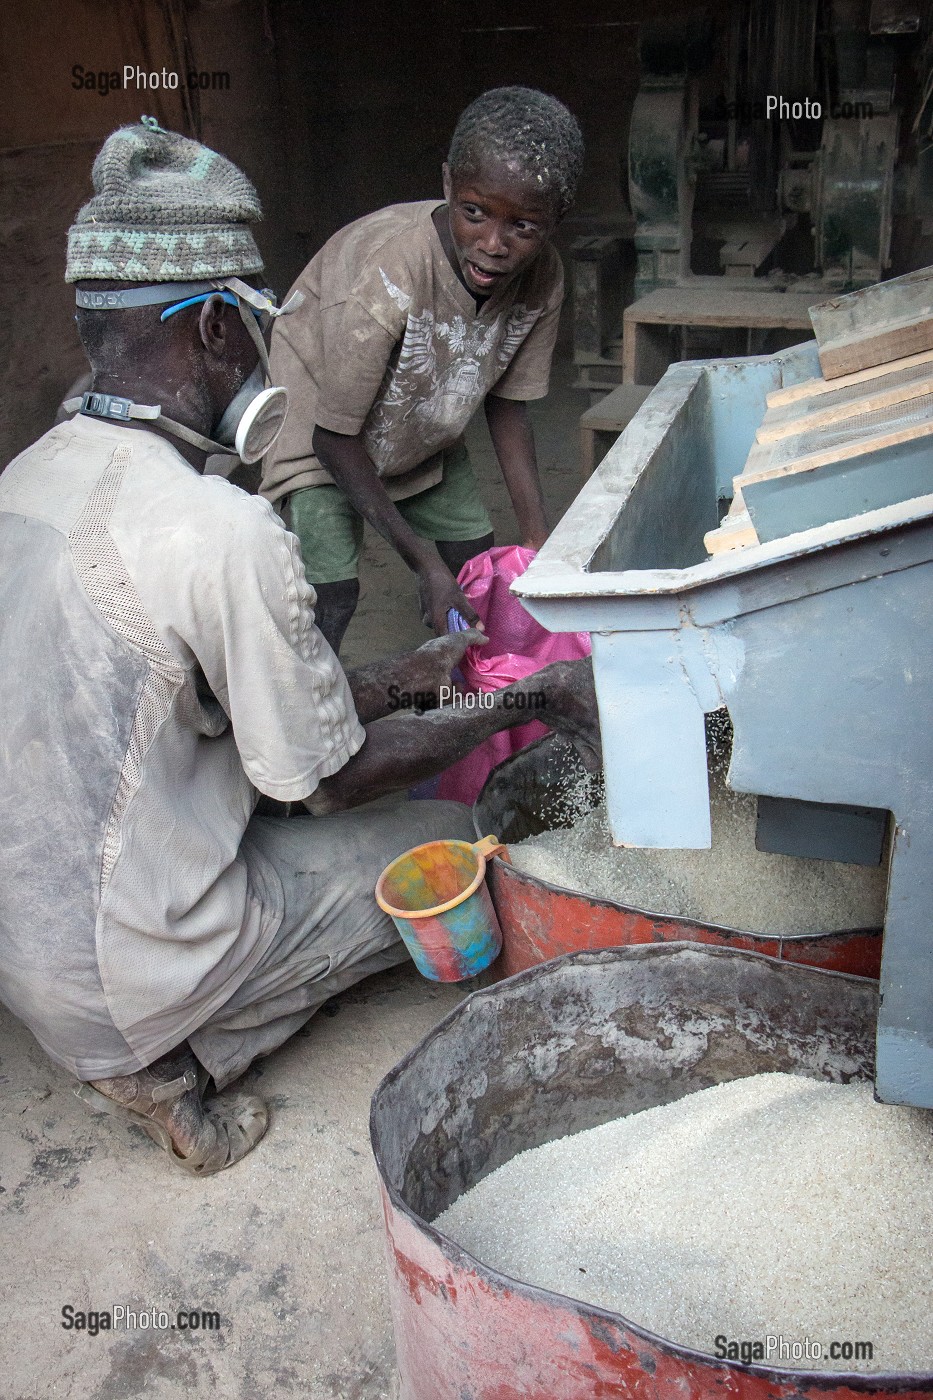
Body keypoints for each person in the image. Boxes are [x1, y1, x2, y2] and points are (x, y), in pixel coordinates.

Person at [0, 121, 600, 1176]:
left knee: (250, 765)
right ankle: (177, 1056)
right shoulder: (225, 530)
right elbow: (327, 776)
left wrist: (411, 676)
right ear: (223, 328)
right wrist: (528, 700)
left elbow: (213, 701)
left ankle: (139, 1021)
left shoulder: (30, 477)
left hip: (23, 942)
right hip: (127, 967)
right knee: (452, 837)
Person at [260, 86, 585, 652]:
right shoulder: (392, 273)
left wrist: (538, 537)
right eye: (475, 213)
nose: (493, 244)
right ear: (448, 187)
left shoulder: (544, 279)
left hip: (418, 421)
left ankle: (465, 703)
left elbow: (508, 405)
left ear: (556, 220)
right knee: (328, 596)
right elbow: (333, 439)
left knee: (476, 571)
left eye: (523, 227)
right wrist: (421, 560)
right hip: (322, 434)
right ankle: (318, 726)